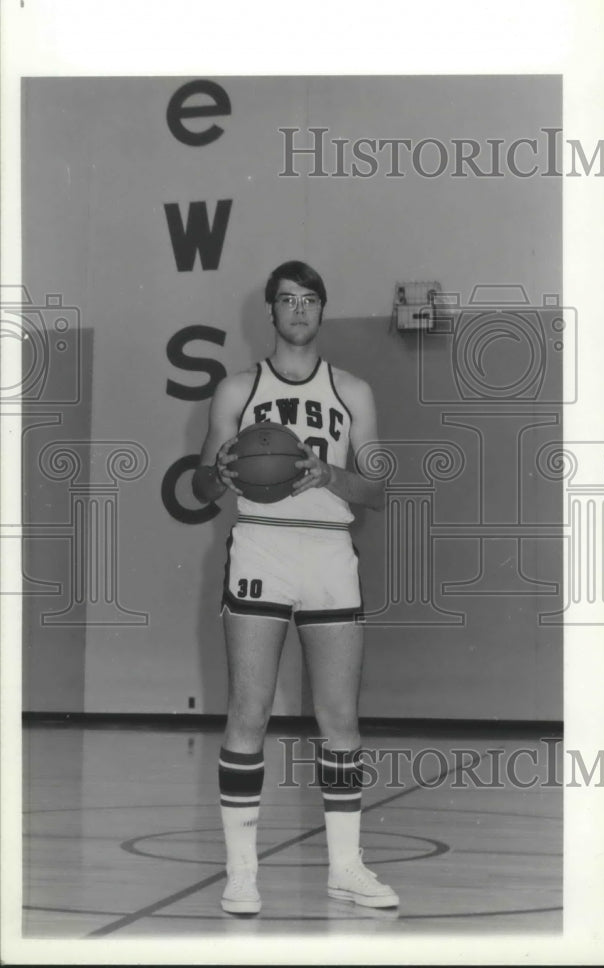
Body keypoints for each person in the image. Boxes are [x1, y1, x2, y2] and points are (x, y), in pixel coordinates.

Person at [193, 260, 398, 914]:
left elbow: (378, 489)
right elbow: (200, 482)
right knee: (248, 713)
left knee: (339, 720)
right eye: (287, 300)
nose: (299, 310)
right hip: (260, 542)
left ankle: (345, 868)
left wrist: (324, 476)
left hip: (328, 551)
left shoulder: (353, 393)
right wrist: (217, 473)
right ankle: (241, 875)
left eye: (309, 299)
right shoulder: (234, 390)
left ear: (321, 310)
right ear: (271, 313)